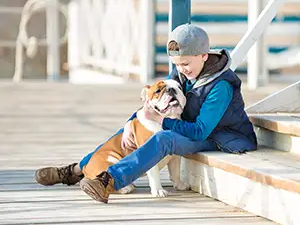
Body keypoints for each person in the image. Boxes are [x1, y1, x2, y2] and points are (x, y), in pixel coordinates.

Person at [35, 24, 257, 203]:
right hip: (195, 128)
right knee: (125, 133)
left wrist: (161, 121)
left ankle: (109, 181)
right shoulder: (185, 71)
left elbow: (199, 131)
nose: (181, 69)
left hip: (222, 138)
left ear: (204, 55)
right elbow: (154, 102)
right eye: (177, 65)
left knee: (163, 137)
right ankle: (75, 170)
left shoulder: (221, 86)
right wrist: (132, 121)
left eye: (185, 64)